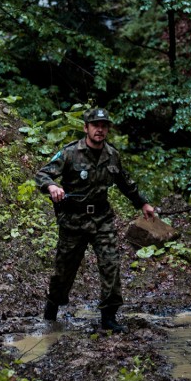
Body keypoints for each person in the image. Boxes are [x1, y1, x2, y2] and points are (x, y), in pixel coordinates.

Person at [35, 108, 156, 333]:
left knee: (111, 265)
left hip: (102, 220)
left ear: (107, 129)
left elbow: (125, 182)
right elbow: (43, 174)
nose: (99, 129)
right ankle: (51, 309)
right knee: (64, 271)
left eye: (103, 125)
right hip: (74, 221)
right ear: (86, 128)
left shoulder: (112, 155)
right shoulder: (70, 153)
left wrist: (143, 203)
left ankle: (108, 317)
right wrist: (52, 186)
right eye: (95, 125)